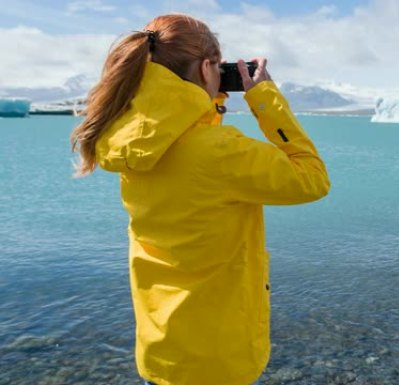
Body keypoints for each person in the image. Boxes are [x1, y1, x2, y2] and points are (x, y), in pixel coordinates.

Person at [70, 14, 330, 385]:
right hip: (218, 362)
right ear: (209, 68)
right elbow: (313, 180)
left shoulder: (128, 139)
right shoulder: (220, 152)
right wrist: (266, 99)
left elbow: (188, 148)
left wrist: (205, 102)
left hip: (161, 350)